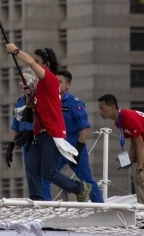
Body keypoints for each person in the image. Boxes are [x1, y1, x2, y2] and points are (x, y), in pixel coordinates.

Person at [4, 43, 90, 202]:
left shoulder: (50, 79)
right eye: (35, 61)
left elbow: (29, 62)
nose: (34, 64)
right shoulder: (39, 87)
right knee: (31, 168)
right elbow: (31, 110)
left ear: (46, 65)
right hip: (39, 133)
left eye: (38, 61)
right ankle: (37, 200)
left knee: (47, 172)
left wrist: (15, 51)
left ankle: (79, 187)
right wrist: (28, 93)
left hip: (52, 133)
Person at [97, 95, 144, 204]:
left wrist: (139, 169)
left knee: (141, 178)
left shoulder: (127, 118)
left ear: (112, 107)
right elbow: (134, 141)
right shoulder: (119, 121)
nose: (100, 111)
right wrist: (130, 159)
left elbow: (140, 144)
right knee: (143, 180)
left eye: (102, 108)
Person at [57, 69, 103, 202]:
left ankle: (100, 208)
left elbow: (84, 128)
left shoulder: (75, 103)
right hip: (57, 144)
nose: (57, 85)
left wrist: (78, 148)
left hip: (74, 144)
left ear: (68, 85)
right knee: (47, 174)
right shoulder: (52, 101)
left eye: (60, 82)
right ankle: (44, 205)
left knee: (86, 178)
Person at [8, 69, 52, 199]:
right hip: (27, 144)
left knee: (43, 174)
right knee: (31, 174)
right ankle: (36, 202)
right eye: (20, 80)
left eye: (25, 80)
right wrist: (10, 146)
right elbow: (15, 124)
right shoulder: (20, 101)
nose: (22, 83)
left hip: (41, 141)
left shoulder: (40, 99)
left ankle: (46, 204)